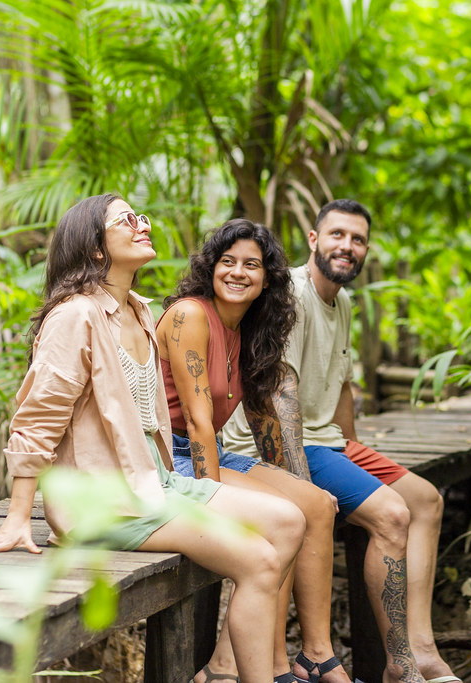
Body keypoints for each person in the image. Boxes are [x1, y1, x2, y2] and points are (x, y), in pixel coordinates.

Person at [0, 194, 306, 683]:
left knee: (289, 521)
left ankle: (226, 667)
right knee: (258, 559)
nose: (142, 224)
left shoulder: (140, 312)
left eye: (141, 217)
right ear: (96, 248)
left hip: (154, 479)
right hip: (103, 501)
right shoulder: (74, 316)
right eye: (126, 220)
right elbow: (38, 418)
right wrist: (18, 518)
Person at [222, 199, 461, 683]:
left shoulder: (343, 300)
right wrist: (298, 483)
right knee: (393, 515)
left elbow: (342, 383)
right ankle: (398, 664)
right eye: (336, 235)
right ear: (314, 239)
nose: (346, 246)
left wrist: (352, 446)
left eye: (356, 239)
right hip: (283, 443)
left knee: (426, 500)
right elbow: (276, 391)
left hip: (327, 438)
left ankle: (422, 649)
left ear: (366, 248)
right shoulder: (288, 291)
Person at [157, 219, 354, 683]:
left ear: (268, 277)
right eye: (228, 262)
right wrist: (211, 498)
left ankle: (313, 656)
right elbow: (199, 420)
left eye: (252, 264)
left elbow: (265, 419)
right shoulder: (190, 315)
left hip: (213, 450)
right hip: (174, 456)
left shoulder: (246, 326)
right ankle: (251, 668)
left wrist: (292, 478)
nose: (238, 272)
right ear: (211, 268)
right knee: (285, 515)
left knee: (317, 505)